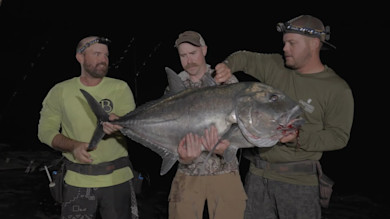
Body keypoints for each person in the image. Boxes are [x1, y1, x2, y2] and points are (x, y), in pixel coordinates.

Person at [214, 15, 354, 219]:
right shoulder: (276, 66)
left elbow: (339, 136)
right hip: (257, 178)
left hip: (298, 185)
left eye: (292, 43)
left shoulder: (337, 89)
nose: (285, 49)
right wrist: (227, 66)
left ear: (315, 44)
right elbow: (243, 57)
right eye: (284, 43)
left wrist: (299, 137)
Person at [38, 36, 138, 219]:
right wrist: (73, 146)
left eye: (106, 55)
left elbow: (133, 127)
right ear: (80, 57)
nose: (104, 59)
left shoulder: (120, 88)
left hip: (118, 179)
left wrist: (120, 123)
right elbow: (45, 132)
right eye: (97, 54)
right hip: (77, 181)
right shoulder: (60, 91)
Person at [167, 30, 247, 219]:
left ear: (204, 50)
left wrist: (225, 148)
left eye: (193, 53)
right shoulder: (175, 87)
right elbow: (169, 133)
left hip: (224, 173)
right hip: (187, 172)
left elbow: (241, 129)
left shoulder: (225, 80)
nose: (189, 60)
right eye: (183, 56)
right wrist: (183, 156)